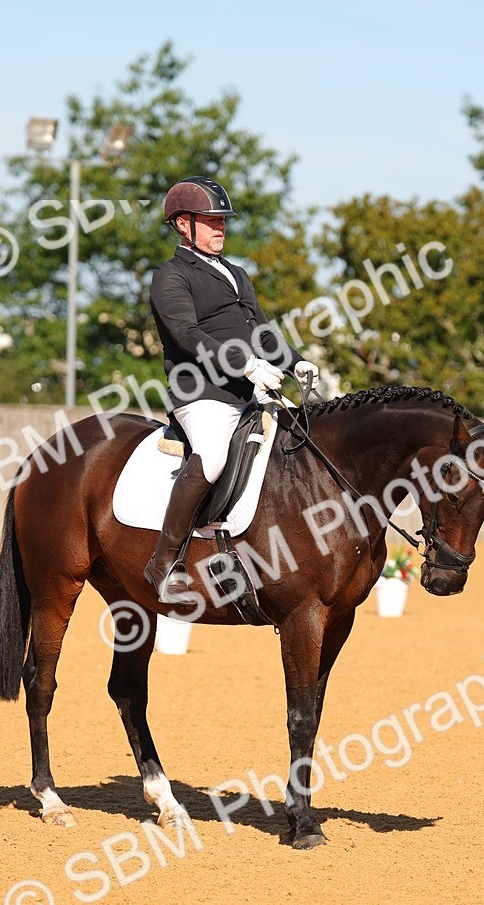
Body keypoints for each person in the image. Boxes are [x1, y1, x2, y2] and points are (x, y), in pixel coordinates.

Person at [145, 176, 318, 600]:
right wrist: (246, 365)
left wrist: (296, 363)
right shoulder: (169, 276)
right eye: (210, 220)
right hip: (201, 392)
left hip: (249, 392)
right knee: (213, 456)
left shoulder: (237, 274)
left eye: (222, 220)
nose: (220, 227)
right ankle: (165, 560)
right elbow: (187, 335)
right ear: (183, 224)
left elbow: (261, 330)